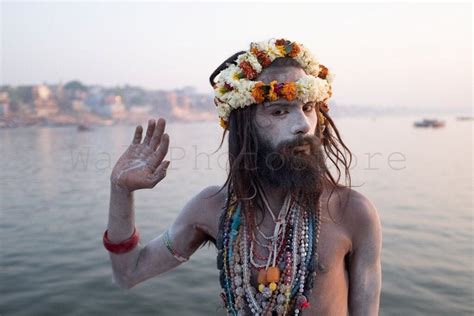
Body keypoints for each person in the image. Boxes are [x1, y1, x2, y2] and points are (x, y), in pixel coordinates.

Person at [104, 38, 382, 315]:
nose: (302, 125)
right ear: (245, 125)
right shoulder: (212, 208)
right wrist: (120, 191)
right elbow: (129, 273)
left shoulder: (353, 212)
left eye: (307, 108)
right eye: (280, 111)